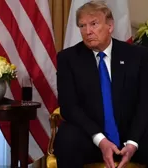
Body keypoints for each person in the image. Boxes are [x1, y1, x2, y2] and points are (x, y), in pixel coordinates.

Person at [54, 1, 148, 168]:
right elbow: (69, 106)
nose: (87, 31)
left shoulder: (137, 55)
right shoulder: (68, 59)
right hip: (91, 136)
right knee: (66, 138)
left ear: (110, 26)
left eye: (94, 24)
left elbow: (144, 103)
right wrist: (100, 140)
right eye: (82, 26)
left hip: (132, 135)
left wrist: (133, 142)